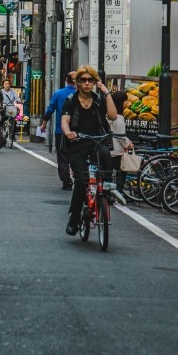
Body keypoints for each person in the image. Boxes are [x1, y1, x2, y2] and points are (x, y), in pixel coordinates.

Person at [60, 65, 118, 236]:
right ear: (77, 82)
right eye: (83, 80)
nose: (87, 83)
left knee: (105, 153)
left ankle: (107, 188)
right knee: (81, 179)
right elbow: (65, 120)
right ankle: (74, 219)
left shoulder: (99, 99)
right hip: (78, 143)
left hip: (97, 140)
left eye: (90, 80)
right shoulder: (71, 100)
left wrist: (106, 92)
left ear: (94, 82)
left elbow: (113, 116)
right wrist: (68, 132)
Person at [40, 71, 76, 190]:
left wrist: (44, 124)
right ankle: (79, 179)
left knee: (63, 157)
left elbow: (50, 109)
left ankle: (67, 182)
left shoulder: (59, 93)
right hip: (78, 132)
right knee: (77, 155)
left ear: (66, 80)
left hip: (61, 131)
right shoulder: (81, 94)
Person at [107, 90, 132, 206]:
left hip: (108, 147)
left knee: (108, 172)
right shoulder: (119, 118)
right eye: (125, 101)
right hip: (117, 149)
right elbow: (121, 136)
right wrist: (128, 144)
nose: (127, 103)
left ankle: (108, 193)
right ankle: (118, 192)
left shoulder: (108, 115)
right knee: (121, 172)